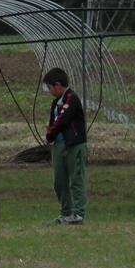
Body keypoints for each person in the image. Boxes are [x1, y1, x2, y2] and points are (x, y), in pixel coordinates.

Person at [44, 67, 88, 225]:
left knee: (76, 179)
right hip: (59, 144)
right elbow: (52, 123)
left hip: (74, 145)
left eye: (49, 87)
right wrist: (50, 136)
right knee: (60, 181)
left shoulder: (71, 98)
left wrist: (50, 134)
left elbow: (62, 120)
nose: (49, 91)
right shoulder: (56, 102)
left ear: (57, 85)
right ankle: (66, 212)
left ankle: (78, 214)